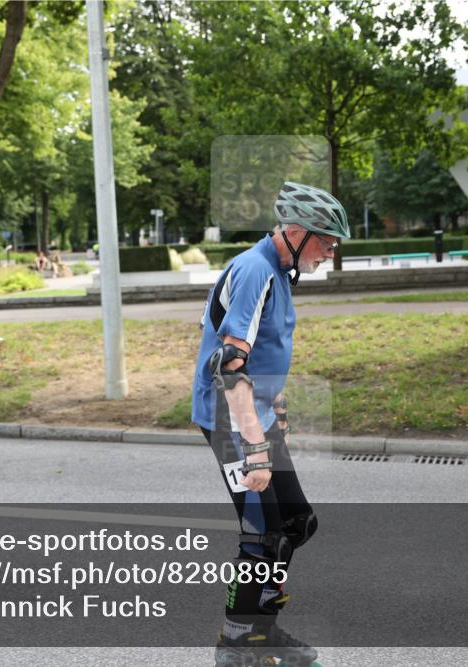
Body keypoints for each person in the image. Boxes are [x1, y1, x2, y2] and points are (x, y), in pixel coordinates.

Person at [191, 182, 351, 666]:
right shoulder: (256, 270)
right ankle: (238, 643)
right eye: (327, 240)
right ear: (298, 232)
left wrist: (275, 407)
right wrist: (255, 449)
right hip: (231, 425)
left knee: (295, 524)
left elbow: (263, 349)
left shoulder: (280, 271)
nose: (331, 252)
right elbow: (230, 366)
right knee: (262, 535)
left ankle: (261, 631)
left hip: (254, 420)